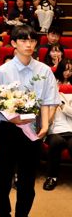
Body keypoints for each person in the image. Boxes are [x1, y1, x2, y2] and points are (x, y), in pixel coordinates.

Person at [0, 25, 60, 217]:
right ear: (13, 44)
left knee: (29, 180)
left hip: (34, 129)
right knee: (4, 178)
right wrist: (12, 117)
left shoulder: (44, 70)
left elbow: (50, 100)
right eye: (23, 40)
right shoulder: (3, 71)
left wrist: (46, 125)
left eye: (32, 40)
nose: (29, 44)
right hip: (9, 129)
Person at [43, 59, 72, 191]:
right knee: (56, 143)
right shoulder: (51, 86)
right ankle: (52, 177)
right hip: (55, 129)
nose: (68, 73)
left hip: (70, 129)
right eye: (65, 69)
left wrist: (62, 104)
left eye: (71, 70)